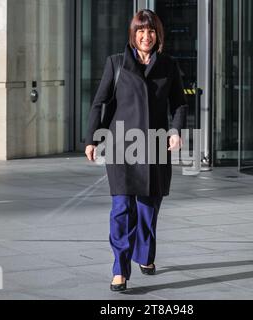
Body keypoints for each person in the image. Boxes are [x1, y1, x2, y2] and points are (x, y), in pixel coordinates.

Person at [85, 9, 188, 292]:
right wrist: (92, 139)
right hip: (122, 148)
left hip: (155, 146)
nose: (146, 36)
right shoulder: (116, 63)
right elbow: (100, 102)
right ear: (133, 34)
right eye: (141, 30)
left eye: (151, 30)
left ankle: (145, 254)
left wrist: (176, 131)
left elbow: (179, 104)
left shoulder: (168, 65)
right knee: (121, 209)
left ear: (158, 35)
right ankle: (120, 268)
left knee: (147, 209)